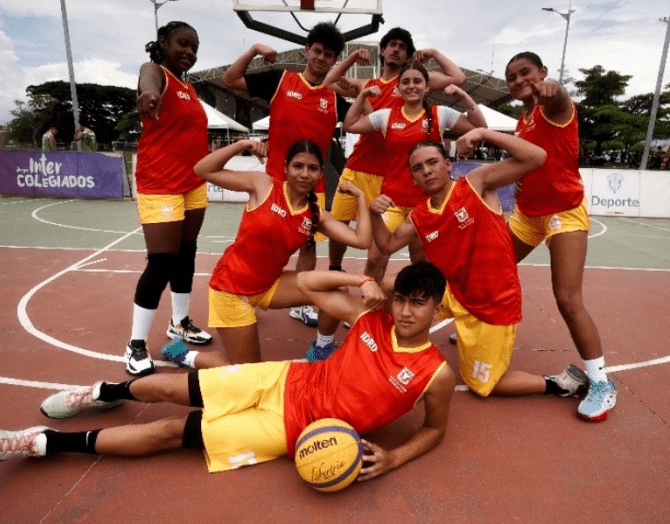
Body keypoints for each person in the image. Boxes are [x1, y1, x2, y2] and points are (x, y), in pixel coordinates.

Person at [0, 262, 456, 483]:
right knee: (175, 388)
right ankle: (104, 390)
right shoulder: (368, 318)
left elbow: (434, 429)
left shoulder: (434, 374)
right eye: (403, 300)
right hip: (280, 378)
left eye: (421, 303)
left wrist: (393, 459)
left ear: (437, 307)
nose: (409, 312)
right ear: (392, 300)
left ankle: (41, 442)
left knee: (171, 433)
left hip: (288, 430)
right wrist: (363, 280)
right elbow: (303, 285)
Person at [369, 131, 588, 403]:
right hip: (452, 291)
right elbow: (387, 244)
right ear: (413, 177)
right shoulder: (420, 216)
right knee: (389, 286)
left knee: (484, 386)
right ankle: (395, 349)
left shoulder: (476, 183)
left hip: (491, 303)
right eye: (418, 168)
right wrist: (373, 214)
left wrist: (484, 133)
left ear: (447, 164)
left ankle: (558, 383)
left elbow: (537, 157)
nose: (426, 171)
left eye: (432, 162)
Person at [165, 138, 372, 366]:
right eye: (298, 166)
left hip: (270, 285)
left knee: (337, 287)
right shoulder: (263, 185)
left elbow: (361, 240)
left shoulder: (315, 214)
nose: (305, 174)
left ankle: (322, 347)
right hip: (231, 289)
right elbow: (202, 169)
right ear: (285, 168)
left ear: (321, 174)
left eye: (312, 168)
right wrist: (241, 145)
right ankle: (184, 355)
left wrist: (361, 198)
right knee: (249, 374)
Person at [503, 51, 616, 421]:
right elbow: (534, 159)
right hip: (528, 215)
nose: (519, 81)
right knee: (490, 267)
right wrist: (521, 182)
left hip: (563, 212)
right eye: (512, 77)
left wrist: (554, 91)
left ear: (543, 73)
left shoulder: (554, 107)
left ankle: (600, 381)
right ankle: (483, 325)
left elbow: (559, 99)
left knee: (567, 296)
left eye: (526, 73)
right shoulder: (524, 118)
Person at [221, 22, 353, 334]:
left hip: (313, 187)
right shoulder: (281, 80)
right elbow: (230, 79)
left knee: (308, 247)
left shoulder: (334, 99)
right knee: (264, 246)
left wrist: (361, 91)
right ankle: (247, 293)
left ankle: (300, 303)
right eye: (317, 51)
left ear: (334, 61)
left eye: (329, 55)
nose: (321, 58)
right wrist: (254, 49)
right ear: (307, 51)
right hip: (275, 184)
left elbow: (369, 122)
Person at [324, 28, 467, 279]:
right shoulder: (367, 85)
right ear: (382, 50)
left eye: (402, 46)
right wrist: (351, 59)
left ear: (408, 56)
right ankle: (335, 270)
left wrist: (433, 53)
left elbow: (458, 77)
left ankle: (411, 289)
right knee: (339, 226)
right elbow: (328, 82)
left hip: (387, 176)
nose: (396, 49)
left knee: (384, 246)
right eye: (391, 44)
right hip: (358, 167)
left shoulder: (410, 84)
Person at [341, 62, 487, 281]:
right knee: (375, 258)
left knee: (421, 261)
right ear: (398, 88)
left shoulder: (441, 114)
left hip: (427, 204)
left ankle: (423, 309)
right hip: (392, 203)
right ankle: (372, 308)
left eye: (417, 81)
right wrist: (362, 97)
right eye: (406, 82)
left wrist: (462, 95)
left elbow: (479, 126)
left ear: (427, 87)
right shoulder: (386, 116)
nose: (412, 86)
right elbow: (350, 125)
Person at [124, 20, 212, 377]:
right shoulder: (155, 71)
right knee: (161, 262)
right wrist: (147, 95)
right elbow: (147, 83)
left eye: (194, 46)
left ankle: (179, 323)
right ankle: (135, 345)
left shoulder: (189, 87)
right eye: (182, 44)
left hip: (192, 183)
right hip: (161, 183)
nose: (189, 51)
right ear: (164, 43)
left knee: (186, 253)